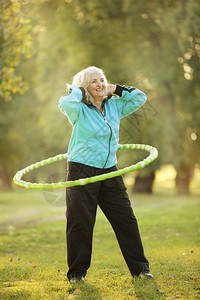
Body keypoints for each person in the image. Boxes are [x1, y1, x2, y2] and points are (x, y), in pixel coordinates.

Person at [58, 66, 153, 284]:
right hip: (81, 169)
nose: (100, 84)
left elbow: (140, 97)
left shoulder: (115, 105)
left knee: (126, 219)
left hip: (110, 169)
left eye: (102, 80)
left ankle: (141, 269)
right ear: (85, 88)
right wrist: (77, 92)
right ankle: (77, 274)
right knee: (80, 222)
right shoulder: (79, 109)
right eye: (94, 82)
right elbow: (65, 104)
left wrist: (116, 88)